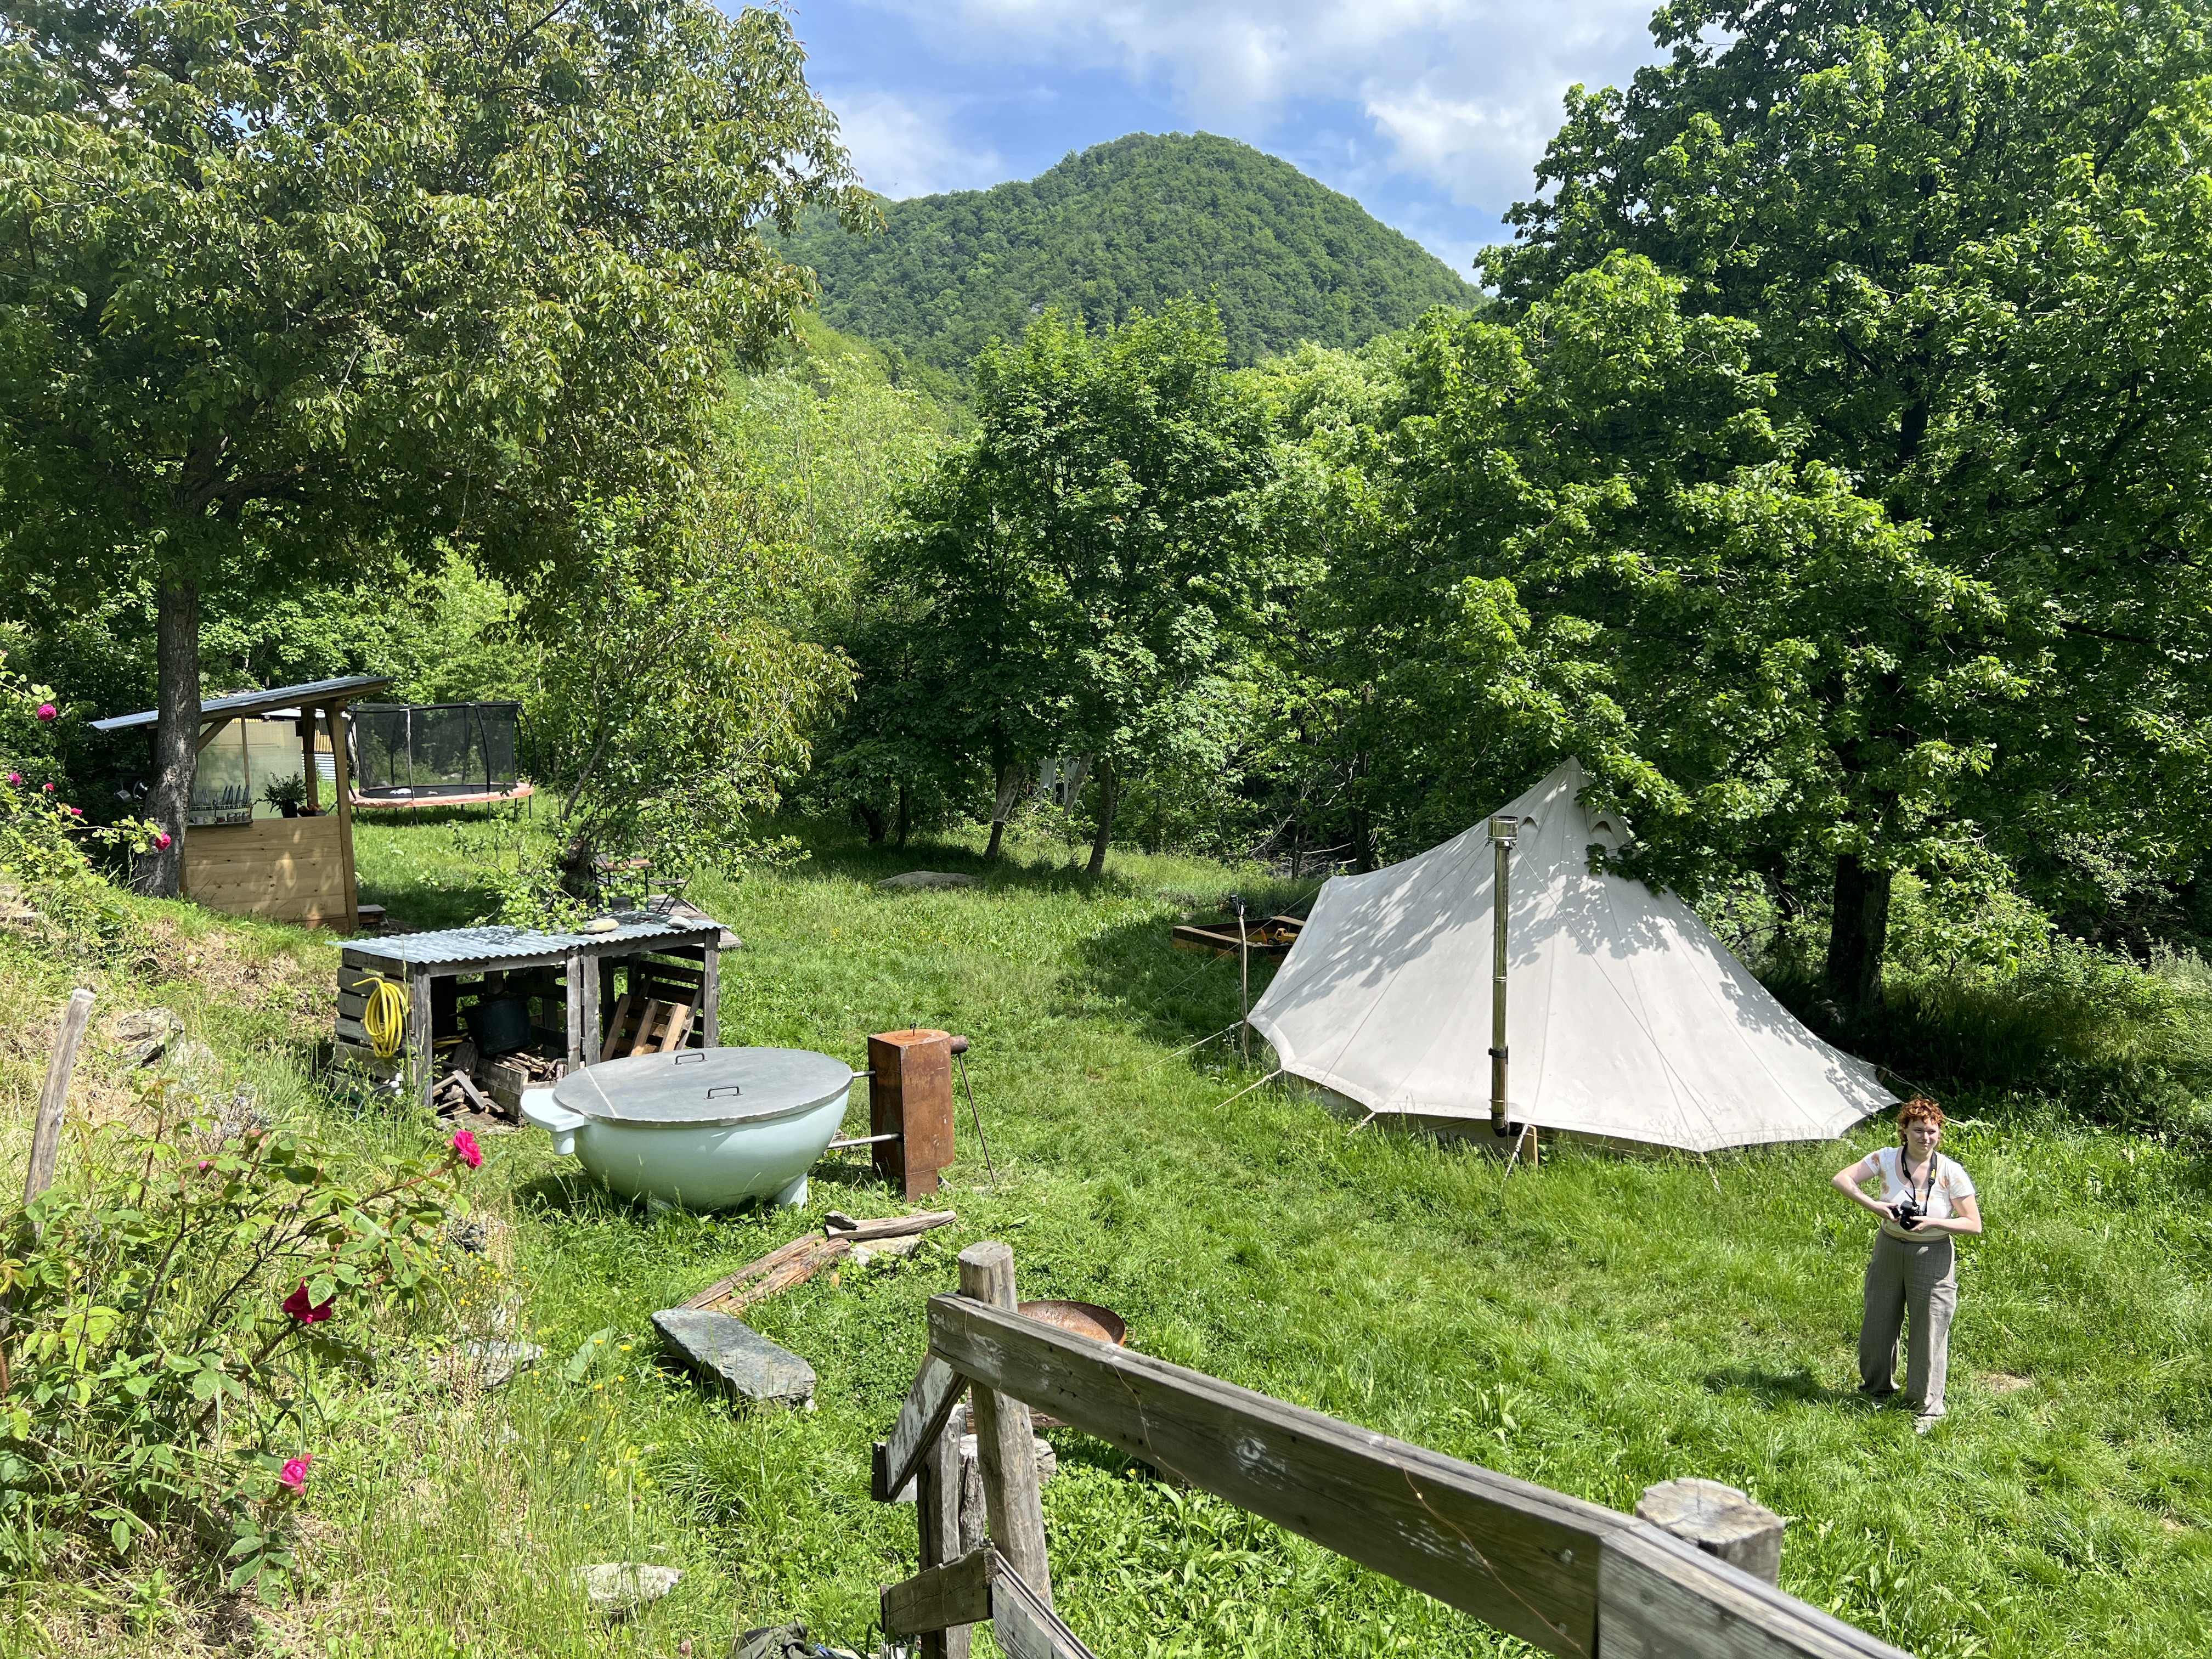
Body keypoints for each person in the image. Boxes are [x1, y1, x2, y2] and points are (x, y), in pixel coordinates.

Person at [1831, 1097, 1982, 1432]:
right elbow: (1842, 1179)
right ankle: (1876, 1391)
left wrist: (1933, 1223)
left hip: (1933, 1253)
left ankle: (1926, 1407)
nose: (1925, 1137)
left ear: (1939, 1134)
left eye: (1932, 1131)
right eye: (1918, 1130)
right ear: (1904, 1131)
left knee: (1929, 1329)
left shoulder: (1949, 1171)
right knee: (1878, 1322)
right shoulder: (1886, 1158)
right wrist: (1875, 1206)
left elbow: (1974, 1224)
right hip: (1889, 1248)